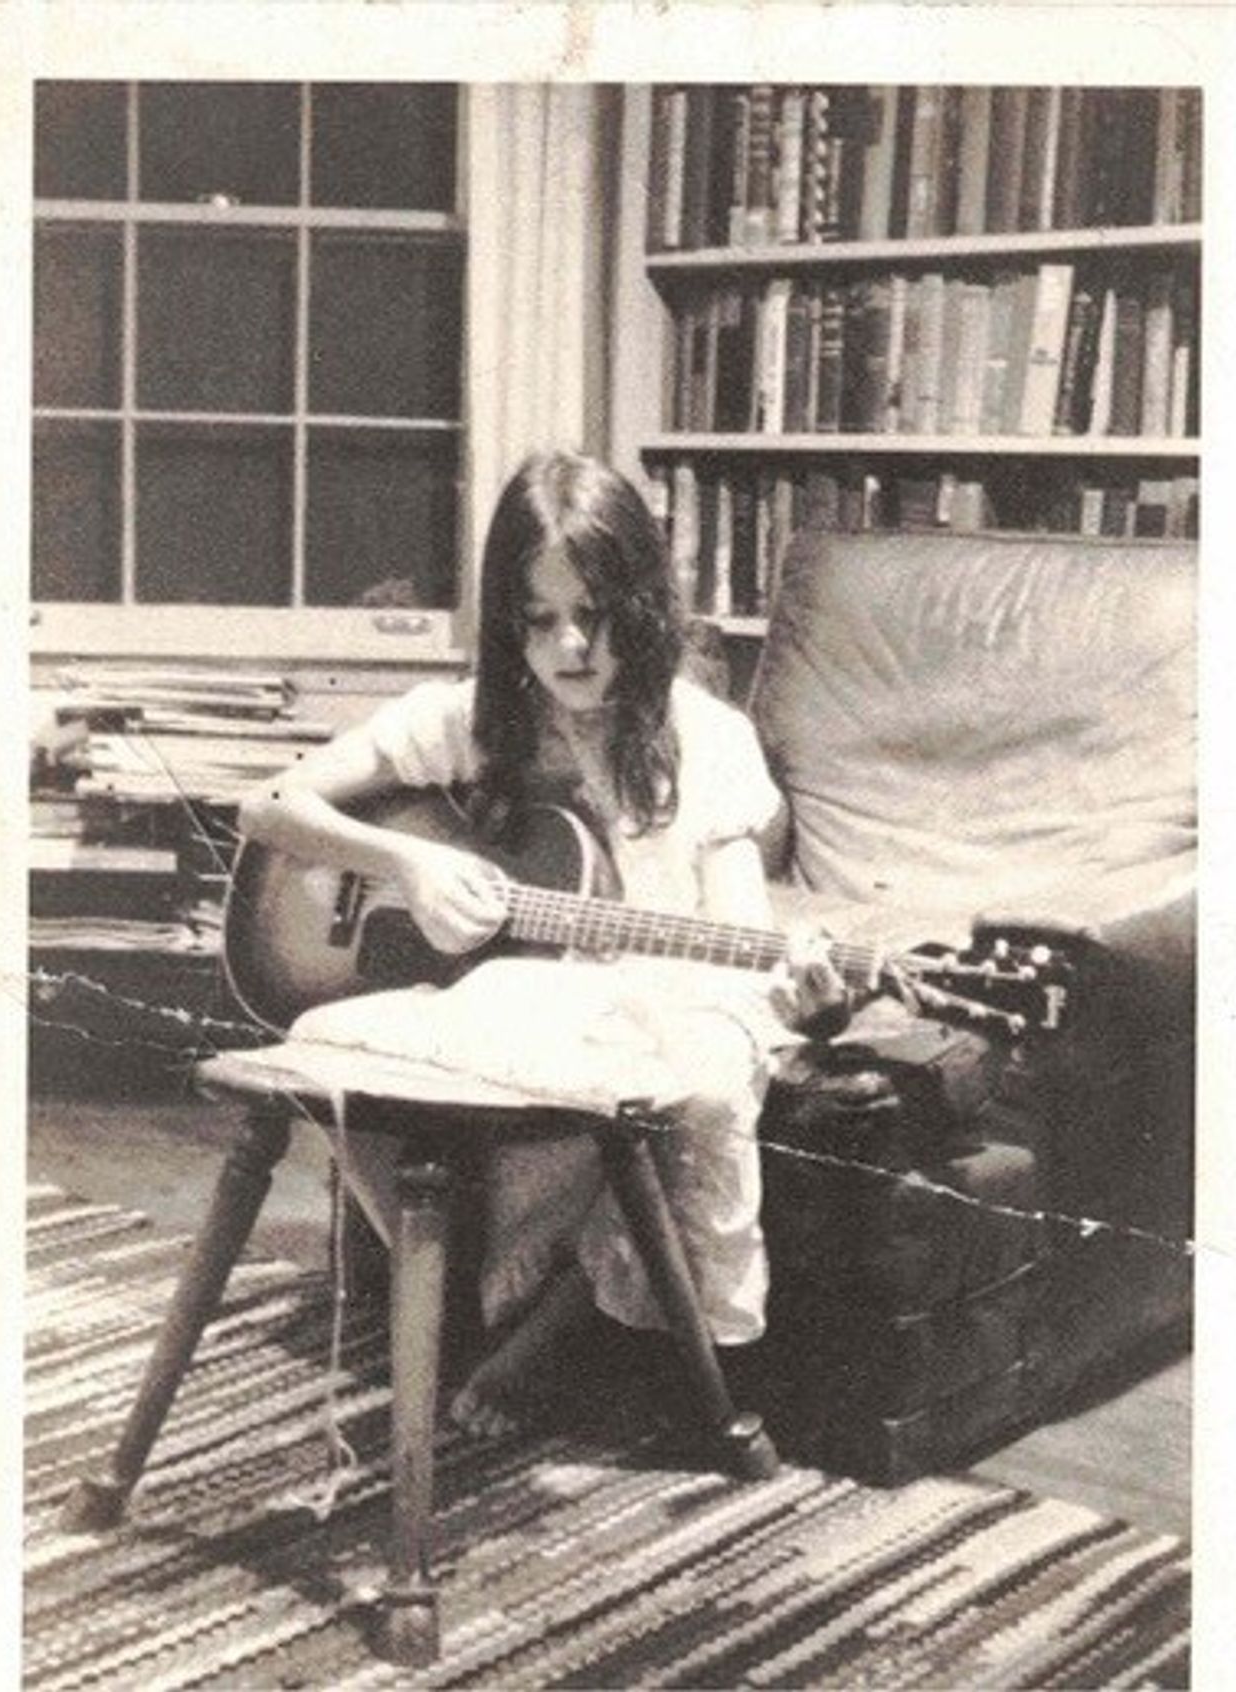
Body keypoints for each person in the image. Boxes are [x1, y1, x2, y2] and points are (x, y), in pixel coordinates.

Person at [238, 450, 848, 1436]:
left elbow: (739, 943)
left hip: (653, 1009)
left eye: (594, 616)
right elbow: (266, 805)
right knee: (334, 1044)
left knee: (677, 1061)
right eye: (537, 620)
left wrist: (808, 995)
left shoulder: (710, 741)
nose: (569, 648)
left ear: (641, 609)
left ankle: (532, 1335)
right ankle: (482, 1303)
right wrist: (407, 864)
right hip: (511, 1011)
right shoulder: (468, 720)